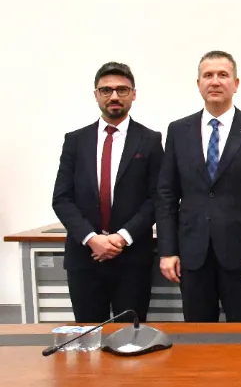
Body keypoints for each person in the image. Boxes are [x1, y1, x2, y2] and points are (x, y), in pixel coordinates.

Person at [156, 51, 241, 322]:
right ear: (198, 83)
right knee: (198, 338)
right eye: (208, 75)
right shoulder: (178, 131)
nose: (215, 81)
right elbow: (166, 196)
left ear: (236, 83)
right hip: (192, 256)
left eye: (223, 75)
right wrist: (168, 250)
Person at [51, 62, 163, 323]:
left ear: (133, 94)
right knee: (88, 337)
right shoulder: (75, 141)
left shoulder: (150, 140)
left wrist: (121, 238)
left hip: (132, 259)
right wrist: (92, 239)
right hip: (85, 257)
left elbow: (157, 198)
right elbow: (62, 198)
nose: (114, 96)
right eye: (106, 90)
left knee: (130, 337)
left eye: (122, 90)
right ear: (96, 95)